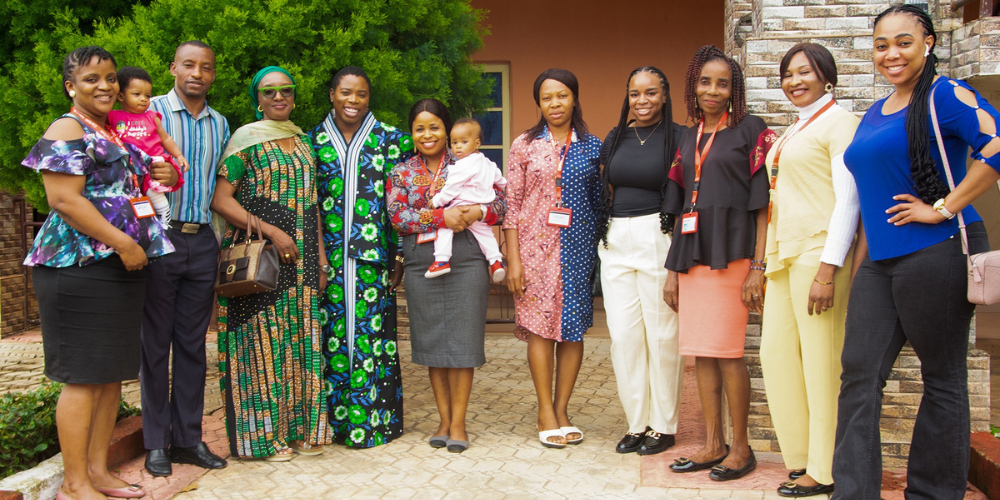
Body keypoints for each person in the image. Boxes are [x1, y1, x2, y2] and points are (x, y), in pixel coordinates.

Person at [833, 6, 1000, 499]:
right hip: (880, 263)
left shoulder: (944, 94)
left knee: (942, 379)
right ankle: (854, 492)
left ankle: (932, 494)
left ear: (927, 42)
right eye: (882, 44)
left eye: (903, 42)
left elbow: (996, 144)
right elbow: (871, 196)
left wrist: (943, 207)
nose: (892, 54)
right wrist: (859, 261)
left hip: (939, 251)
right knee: (859, 375)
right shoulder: (873, 112)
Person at [25, 45, 178, 500]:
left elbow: (123, 188)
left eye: (110, 78)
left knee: (110, 375)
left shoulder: (110, 131)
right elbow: (64, 200)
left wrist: (159, 173)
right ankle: (74, 485)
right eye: (91, 79)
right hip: (77, 267)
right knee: (84, 376)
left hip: (118, 266)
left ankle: (97, 471)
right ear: (71, 86)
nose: (105, 86)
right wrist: (126, 243)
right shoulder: (66, 128)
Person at [663, 45, 775, 481]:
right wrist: (672, 272)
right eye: (705, 82)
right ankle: (713, 443)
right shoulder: (687, 138)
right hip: (692, 258)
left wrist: (758, 267)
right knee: (701, 354)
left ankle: (741, 448)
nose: (713, 90)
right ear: (694, 85)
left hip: (734, 256)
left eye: (723, 83)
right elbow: (678, 211)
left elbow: (763, 204)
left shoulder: (751, 129)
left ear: (734, 90)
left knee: (728, 354)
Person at [210, 66, 329, 461]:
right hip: (259, 259)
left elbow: (311, 206)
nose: (278, 97)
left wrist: (322, 261)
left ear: (295, 96)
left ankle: (298, 432)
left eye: (285, 90)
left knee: (300, 343)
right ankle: (260, 440)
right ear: (257, 99)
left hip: (304, 259)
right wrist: (272, 232)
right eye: (269, 92)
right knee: (260, 344)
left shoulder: (305, 142)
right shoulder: (245, 142)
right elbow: (221, 200)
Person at [758, 43, 860, 498]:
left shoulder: (842, 123)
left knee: (822, 364)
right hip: (784, 255)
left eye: (805, 72)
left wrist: (828, 269)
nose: (795, 81)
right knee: (775, 356)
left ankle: (826, 467)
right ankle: (800, 458)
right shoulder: (796, 128)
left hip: (819, 254)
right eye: (788, 74)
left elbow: (849, 200)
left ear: (827, 77)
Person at [387, 98, 505, 453]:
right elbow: (397, 217)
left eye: (434, 126)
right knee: (433, 341)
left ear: (448, 129)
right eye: (419, 128)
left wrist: (479, 210)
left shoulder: (473, 161)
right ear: (411, 133)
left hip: (468, 257)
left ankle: (459, 422)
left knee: (463, 340)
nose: (428, 134)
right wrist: (440, 218)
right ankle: (442, 419)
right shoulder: (401, 172)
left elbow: (501, 205)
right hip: (423, 260)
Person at [308, 65, 413, 448]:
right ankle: (331, 425)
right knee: (330, 338)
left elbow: (404, 202)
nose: (353, 101)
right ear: (332, 95)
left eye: (361, 94)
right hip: (328, 262)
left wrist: (400, 255)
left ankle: (375, 423)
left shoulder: (393, 141)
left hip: (373, 261)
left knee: (373, 340)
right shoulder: (311, 142)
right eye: (346, 92)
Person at [141, 40, 229, 477]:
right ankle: (156, 443)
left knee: (193, 347)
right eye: (189, 65)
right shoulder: (146, 114)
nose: (198, 72)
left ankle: (189, 441)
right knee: (155, 346)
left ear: (213, 75)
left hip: (202, 242)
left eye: (206, 67)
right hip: (159, 239)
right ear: (173, 67)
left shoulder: (220, 123)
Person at [504, 69, 602, 449]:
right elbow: (511, 205)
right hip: (532, 253)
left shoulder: (592, 147)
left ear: (574, 98)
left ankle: (563, 410)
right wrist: (513, 261)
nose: (555, 104)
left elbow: (598, 205)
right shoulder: (525, 145)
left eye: (561, 96)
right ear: (539, 104)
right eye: (547, 98)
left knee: (572, 330)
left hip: (577, 252)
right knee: (541, 329)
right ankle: (545, 410)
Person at [596, 66, 685, 456]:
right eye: (635, 93)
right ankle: (637, 423)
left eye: (651, 93)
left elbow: (685, 199)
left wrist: (678, 257)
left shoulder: (681, 137)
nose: (642, 101)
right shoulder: (616, 136)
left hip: (658, 236)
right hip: (616, 238)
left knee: (662, 336)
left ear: (665, 95)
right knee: (625, 338)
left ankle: (664, 426)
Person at [427, 118, 507, 281]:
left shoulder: (462, 166)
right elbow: (500, 180)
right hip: (480, 208)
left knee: (444, 228)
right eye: (454, 142)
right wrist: (506, 186)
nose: (458, 146)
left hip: (461, 206)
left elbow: (451, 188)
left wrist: (437, 201)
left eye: (464, 142)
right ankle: (496, 262)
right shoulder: (488, 163)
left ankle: (441, 260)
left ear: (477, 143)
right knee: (486, 234)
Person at [108, 66, 189, 224]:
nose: (144, 99)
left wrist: (178, 155)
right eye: (137, 94)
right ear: (121, 96)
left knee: (155, 193)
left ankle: (164, 218)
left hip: (152, 163)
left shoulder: (152, 117)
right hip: (128, 166)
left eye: (147, 95)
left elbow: (165, 139)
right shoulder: (112, 116)